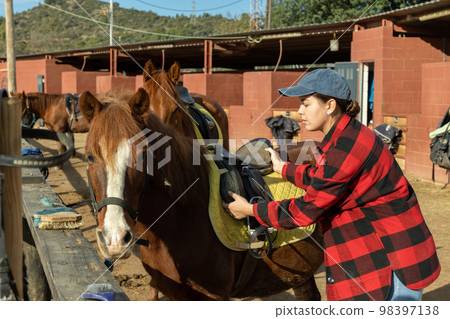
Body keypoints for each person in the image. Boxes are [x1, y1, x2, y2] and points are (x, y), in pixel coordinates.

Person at [223, 68, 440, 301]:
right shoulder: (346, 136)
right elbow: (323, 177)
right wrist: (283, 168)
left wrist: (250, 210)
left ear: (330, 106)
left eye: (306, 104)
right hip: (388, 245)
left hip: (394, 257)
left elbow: (306, 209)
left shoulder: (348, 147)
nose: (299, 111)